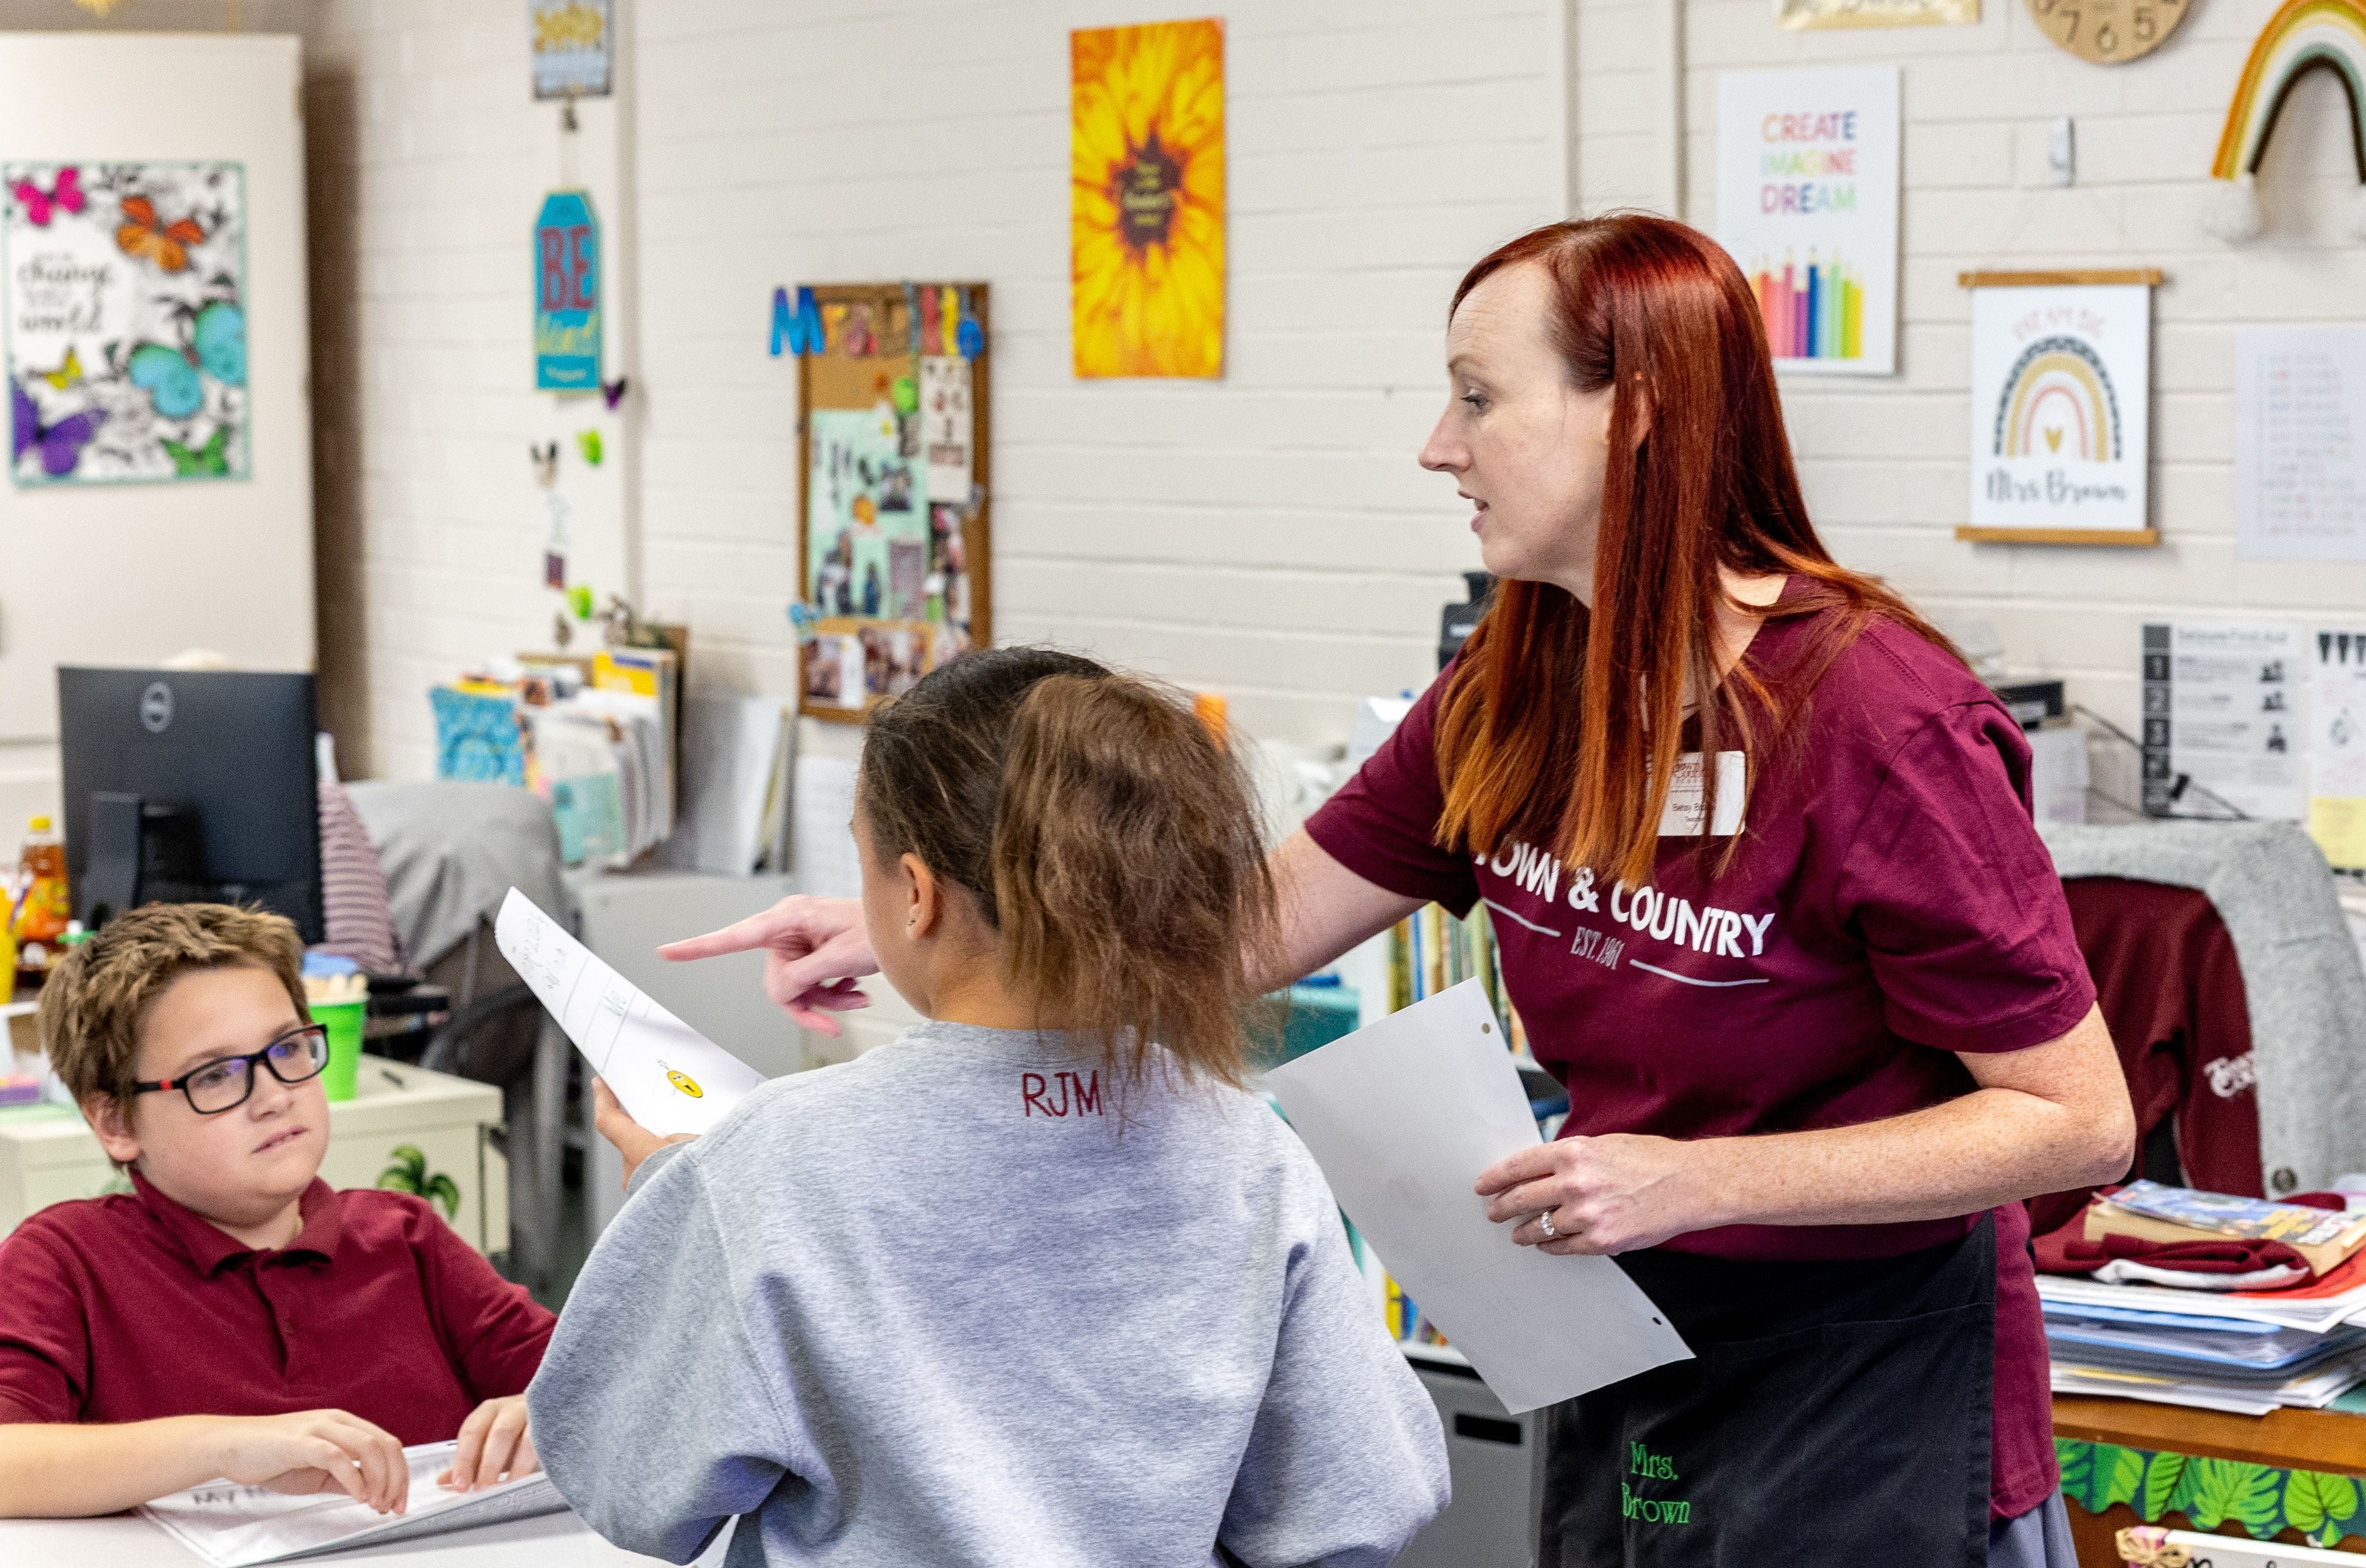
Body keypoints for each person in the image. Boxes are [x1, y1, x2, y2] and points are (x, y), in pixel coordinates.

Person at [662, 217, 2136, 1567]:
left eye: (1478, 399)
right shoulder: (1514, 681)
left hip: (1860, 1371)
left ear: (1636, 415)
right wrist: (931, 926)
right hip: (1621, 1329)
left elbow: (2073, 1116)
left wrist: (1698, 1176)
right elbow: (1252, 924)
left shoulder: (1874, 719)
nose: (1440, 445)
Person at [533, 648, 1448, 1566]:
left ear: (918, 893)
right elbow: (1353, 1505)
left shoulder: (770, 1163)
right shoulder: (1250, 1150)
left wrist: (679, 1199)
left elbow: (631, 1488)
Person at [0, 902, 552, 1518]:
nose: (274, 1096)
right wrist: (218, 1446)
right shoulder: (64, 1261)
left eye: (288, 1049)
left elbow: (593, 1382)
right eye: (214, 1076)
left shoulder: (405, 1235)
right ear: (115, 1121)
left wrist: (544, 1410)